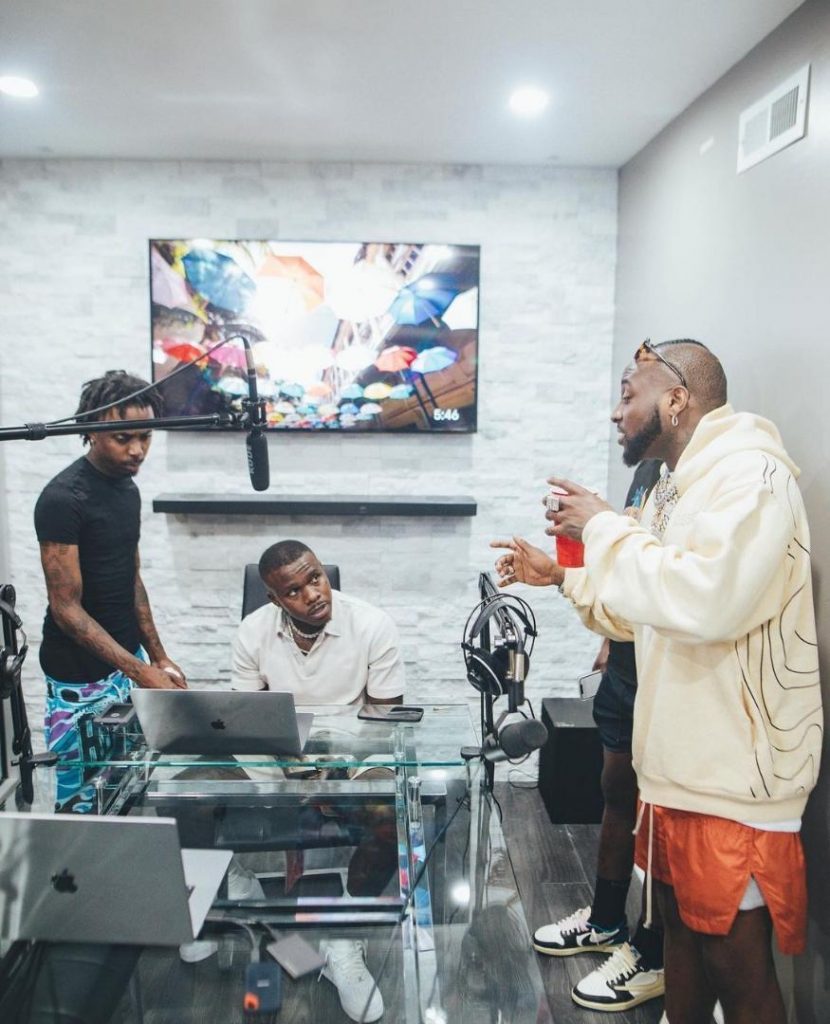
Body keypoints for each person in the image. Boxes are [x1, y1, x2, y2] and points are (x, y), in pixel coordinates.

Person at [530, 340, 821, 1022]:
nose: (616, 412)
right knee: (682, 946)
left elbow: (707, 601)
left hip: (734, 778)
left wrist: (605, 525)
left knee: (737, 968)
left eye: (628, 393)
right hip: (677, 771)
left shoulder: (751, 476)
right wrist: (565, 576)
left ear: (677, 399)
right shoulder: (673, 486)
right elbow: (647, 613)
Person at [492, 460, 666, 1014]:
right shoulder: (650, 469)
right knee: (616, 792)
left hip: (667, 676)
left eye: (624, 411)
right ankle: (607, 921)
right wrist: (609, 635)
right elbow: (629, 573)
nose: (616, 418)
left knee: (661, 820)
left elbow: (668, 584)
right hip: (626, 664)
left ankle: (654, 953)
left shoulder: (700, 479)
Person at [228, 539, 405, 1022]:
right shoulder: (252, 632)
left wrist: (334, 775)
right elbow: (247, 721)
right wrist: (290, 775)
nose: (313, 594)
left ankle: (343, 938)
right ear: (274, 599)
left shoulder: (372, 624)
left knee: (387, 812)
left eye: (316, 578)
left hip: (352, 752)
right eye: (294, 590)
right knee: (190, 794)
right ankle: (239, 895)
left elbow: (384, 726)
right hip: (279, 756)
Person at [35, 370, 185, 813]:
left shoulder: (127, 488)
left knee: (125, 786)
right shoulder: (63, 499)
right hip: (78, 676)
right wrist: (141, 671)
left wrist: (158, 657)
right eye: (123, 438)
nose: (137, 450)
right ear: (91, 430)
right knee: (81, 801)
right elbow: (66, 610)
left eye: (145, 436)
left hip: (125, 662)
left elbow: (130, 578)